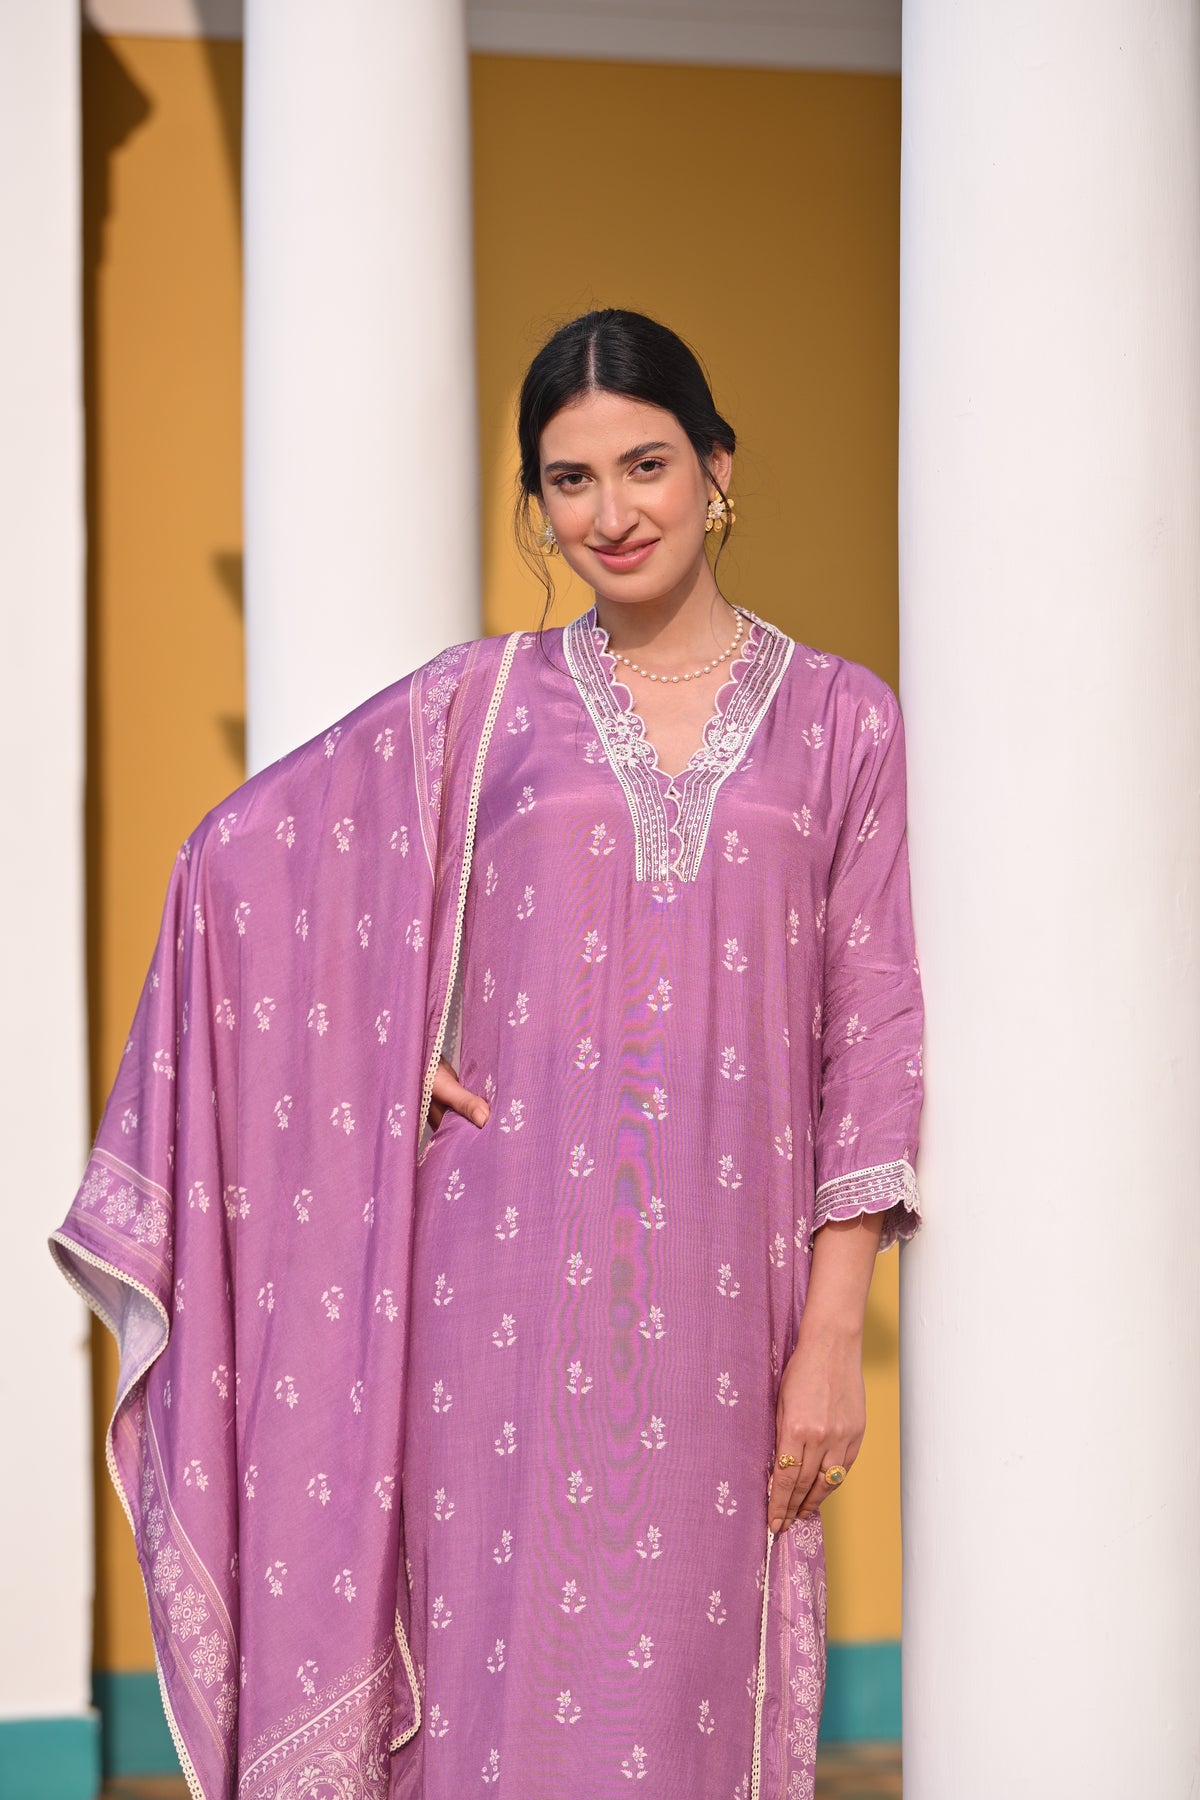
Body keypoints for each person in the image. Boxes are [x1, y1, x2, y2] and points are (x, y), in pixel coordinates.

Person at [51, 307, 923, 1800]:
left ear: (718, 470)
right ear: (536, 504)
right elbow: (233, 873)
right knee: (493, 1690)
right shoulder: (483, 704)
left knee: (687, 1684)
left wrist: (835, 1328)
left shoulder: (845, 721)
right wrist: (368, 1062)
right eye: (569, 480)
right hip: (497, 1293)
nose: (612, 512)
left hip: (731, 1303)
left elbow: (878, 1021)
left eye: (646, 465)